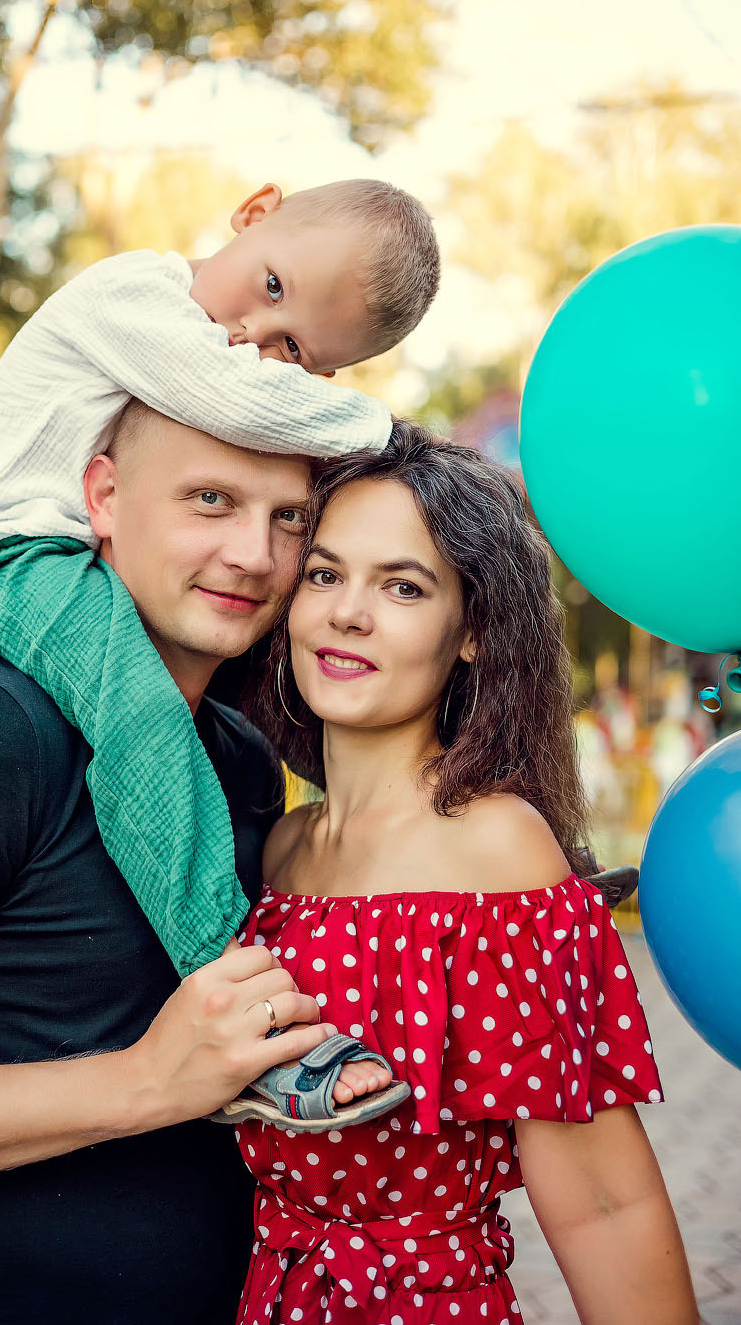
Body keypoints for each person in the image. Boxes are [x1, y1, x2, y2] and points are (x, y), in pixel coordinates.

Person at [0, 411, 394, 1325]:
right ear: (102, 497)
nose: (254, 555)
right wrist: (143, 1082)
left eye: (289, 518)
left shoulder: (243, 761)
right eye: (210, 500)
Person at [0, 178, 440, 979]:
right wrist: (386, 431)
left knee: (295, 667)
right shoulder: (134, 295)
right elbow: (233, 396)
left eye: (293, 349)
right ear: (256, 210)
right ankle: (225, 967)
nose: (252, 332)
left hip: (61, 551)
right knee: (137, 707)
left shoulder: (208, 343)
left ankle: (450, 823)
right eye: (270, 286)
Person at [227, 423, 697, 1324]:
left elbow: (605, 1202)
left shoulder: (498, 851)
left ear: (473, 629)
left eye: (403, 586)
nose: (347, 613)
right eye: (324, 574)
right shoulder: (281, 848)